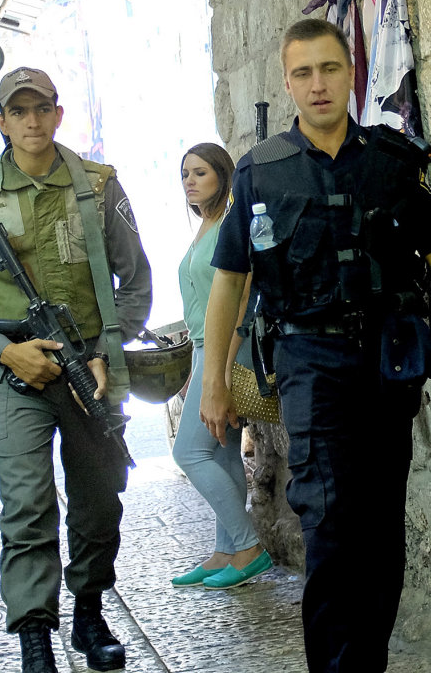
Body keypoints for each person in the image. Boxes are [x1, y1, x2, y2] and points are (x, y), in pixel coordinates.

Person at [200, 19, 431, 672]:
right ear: (287, 83)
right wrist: (216, 380)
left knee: (380, 524)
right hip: (307, 361)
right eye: (302, 73)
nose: (317, 83)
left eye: (328, 69)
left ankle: (365, 662)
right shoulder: (261, 173)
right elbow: (229, 281)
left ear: (350, 74)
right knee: (328, 521)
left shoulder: (390, 162)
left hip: (388, 361)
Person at [0, 67, 152, 673]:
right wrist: (6, 350)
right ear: (2, 122)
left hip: (93, 367)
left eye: (42, 109)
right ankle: (35, 637)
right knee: (27, 506)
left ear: (59, 115)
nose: (32, 121)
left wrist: (108, 348)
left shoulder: (99, 187)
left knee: (97, 501)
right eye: (19, 111)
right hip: (20, 376)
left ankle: (88, 613)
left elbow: (135, 282)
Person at [170, 143, 273, 590]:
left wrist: (222, 366)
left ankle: (250, 545)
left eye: (200, 173)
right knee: (222, 449)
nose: (190, 181)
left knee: (188, 452)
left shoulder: (232, 222)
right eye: (185, 174)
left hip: (226, 350)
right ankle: (225, 550)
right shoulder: (206, 225)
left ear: (223, 175)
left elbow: (243, 296)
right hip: (202, 350)